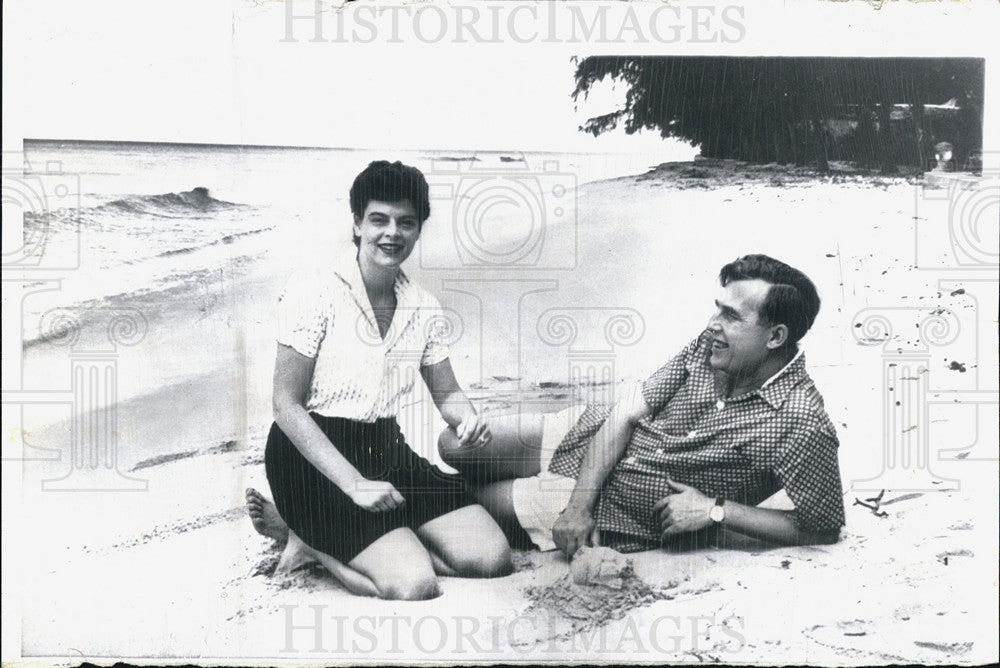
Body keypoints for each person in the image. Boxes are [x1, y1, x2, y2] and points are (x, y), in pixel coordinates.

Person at [440, 254, 845, 558]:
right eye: (717, 308)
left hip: (617, 506)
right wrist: (577, 507)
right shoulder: (714, 346)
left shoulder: (800, 422)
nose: (711, 324)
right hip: (592, 435)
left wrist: (716, 511)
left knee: (464, 501)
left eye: (732, 316)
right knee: (451, 445)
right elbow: (628, 410)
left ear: (775, 336)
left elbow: (822, 526)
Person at [246, 160, 512, 600]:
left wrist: (467, 419)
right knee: (414, 584)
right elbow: (285, 405)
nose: (393, 233)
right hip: (311, 462)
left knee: (492, 559)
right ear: (356, 222)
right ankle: (306, 539)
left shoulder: (423, 308)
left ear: (419, 229)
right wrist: (353, 483)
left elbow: (448, 394)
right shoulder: (314, 290)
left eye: (406, 222)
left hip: (387, 452)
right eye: (379, 219)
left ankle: (385, 539)